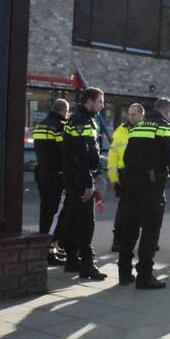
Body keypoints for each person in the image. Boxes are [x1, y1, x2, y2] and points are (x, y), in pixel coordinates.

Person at [117, 97, 170, 289]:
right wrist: (169, 173)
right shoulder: (164, 127)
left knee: (130, 228)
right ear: (167, 111)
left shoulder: (136, 127)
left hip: (131, 184)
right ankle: (145, 275)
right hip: (152, 186)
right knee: (151, 230)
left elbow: (127, 156)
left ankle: (124, 273)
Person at [62, 87, 107, 280]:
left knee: (72, 220)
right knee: (86, 223)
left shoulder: (79, 119)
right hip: (81, 179)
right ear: (89, 101)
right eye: (100, 101)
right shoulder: (81, 121)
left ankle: (72, 260)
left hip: (74, 178)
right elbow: (80, 155)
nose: (102, 105)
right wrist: (88, 183)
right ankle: (87, 266)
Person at [32, 98, 69, 265]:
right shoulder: (60, 127)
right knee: (55, 214)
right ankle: (49, 251)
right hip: (56, 176)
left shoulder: (40, 126)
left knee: (45, 211)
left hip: (43, 174)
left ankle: (44, 248)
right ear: (64, 111)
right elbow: (64, 153)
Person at [107, 103, 145, 252]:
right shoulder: (121, 130)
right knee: (123, 210)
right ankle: (117, 240)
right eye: (129, 114)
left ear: (141, 115)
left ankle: (147, 241)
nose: (130, 117)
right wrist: (113, 177)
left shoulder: (146, 129)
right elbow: (112, 155)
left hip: (141, 175)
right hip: (124, 174)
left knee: (143, 209)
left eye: (133, 114)